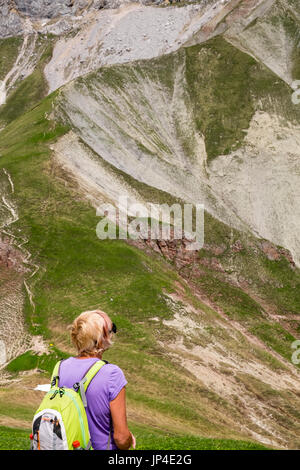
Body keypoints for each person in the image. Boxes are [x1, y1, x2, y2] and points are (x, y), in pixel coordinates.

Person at [57, 309, 136, 450]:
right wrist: (129, 438)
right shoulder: (112, 374)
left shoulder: (60, 368)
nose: (113, 335)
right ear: (101, 339)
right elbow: (121, 438)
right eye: (112, 330)